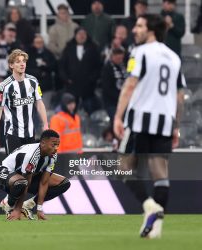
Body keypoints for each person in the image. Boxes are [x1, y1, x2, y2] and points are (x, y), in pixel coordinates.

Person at [113, 14, 185, 238]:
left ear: (151, 30)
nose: (135, 30)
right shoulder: (174, 57)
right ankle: (155, 228)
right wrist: (175, 126)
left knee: (123, 167)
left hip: (140, 119)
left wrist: (118, 116)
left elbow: (130, 84)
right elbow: (180, 96)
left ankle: (148, 205)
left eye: (140, 25)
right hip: (164, 122)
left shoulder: (139, 52)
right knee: (160, 174)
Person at [0, 129, 70, 220]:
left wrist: (39, 209)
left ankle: (27, 206)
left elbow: (44, 182)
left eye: (57, 145)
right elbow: (26, 181)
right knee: (22, 182)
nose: (56, 148)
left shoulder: (53, 155)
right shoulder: (31, 155)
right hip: (4, 174)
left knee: (64, 183)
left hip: (24, 178)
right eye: (53, 144)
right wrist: (17, 210)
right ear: (43, 143)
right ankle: (9, 204)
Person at [0, 49, 48, 155]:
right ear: (11, 65)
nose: (22, 64)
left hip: (30, 132)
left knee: (29, 169)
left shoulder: (33, 81)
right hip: (12, 132)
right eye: (18, 61)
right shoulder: (4, 86)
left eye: (23, 61)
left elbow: (39, 104)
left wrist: (45, 125)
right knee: (14, 168)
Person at [59, 27, 102, 114]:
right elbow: (62, 66)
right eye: (79, 34)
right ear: (75, 36)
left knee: (90, 111)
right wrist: (66, 79)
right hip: (72, 87)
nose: (81, 36)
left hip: (88, 88)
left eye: (83, 34)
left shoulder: (93, 49)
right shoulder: (68, 49)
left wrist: (92, 79)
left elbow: (98, 67)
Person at [100, 48, 127, 121]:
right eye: (118, 58)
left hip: (124, 100)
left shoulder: (124, 66)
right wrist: (120, 96)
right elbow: (107, 88)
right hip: (111, 102)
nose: (120, 60)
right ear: (113, 57)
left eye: (121, 58)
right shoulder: (107, 68)